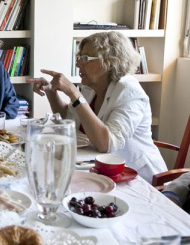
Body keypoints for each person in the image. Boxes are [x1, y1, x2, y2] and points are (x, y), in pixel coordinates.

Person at [27, 31, 167, 183]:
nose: (78, 63)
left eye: (85, 58)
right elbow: (68, 118)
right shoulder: (90, 86)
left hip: (141, 178)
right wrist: (49, 91)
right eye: (79, 57)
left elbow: (107, 144)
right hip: (105, 171)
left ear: (110, 62)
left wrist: (74, 94)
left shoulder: (129, 92)